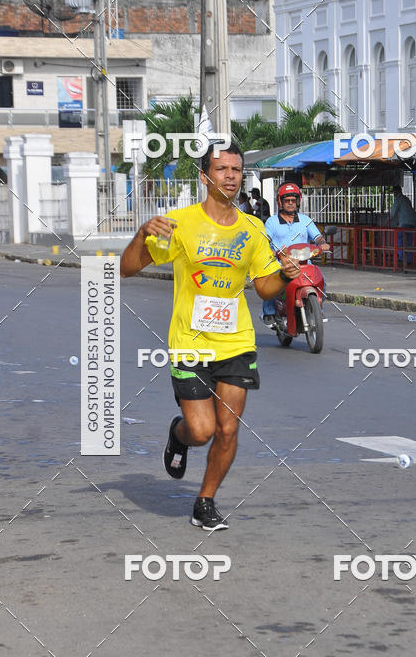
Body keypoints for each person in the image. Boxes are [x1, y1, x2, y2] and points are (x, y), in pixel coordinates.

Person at [120, 142, 301, 532]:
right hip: (190, 341)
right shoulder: (179, 223)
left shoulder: (253, 228)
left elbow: (264, 288)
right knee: (201, 431)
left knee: (229, 428)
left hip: (236, 341)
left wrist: (284, 276)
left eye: (236, 169)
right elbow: (127, 269)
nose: (231, 175)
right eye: (222, 169)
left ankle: (205, 501)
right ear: (205, 177)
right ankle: (178, 434)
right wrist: (140, 235)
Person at [261, 181, 330, 325]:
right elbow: (265, 240)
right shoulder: (272, 222)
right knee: (270, 281)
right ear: (280, 202)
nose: (290, 203)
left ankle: (318, 307)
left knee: (321, 279)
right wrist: (270, 251)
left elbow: (317, 236)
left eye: (293, 200)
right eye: (287, 200)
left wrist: (322, 243)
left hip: (305, 262)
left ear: (297, 201)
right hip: (281, 263)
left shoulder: (305, 220)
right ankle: (269, 312)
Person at [389, 185, 416, 266]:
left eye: (394, 193)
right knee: (409, 242)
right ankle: (409, 259)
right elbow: (405, 212)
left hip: (405, 224)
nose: (393, 194)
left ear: (396, 192)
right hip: (413, 223)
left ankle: (401, 258)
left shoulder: (398, 199)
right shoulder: (406, 199)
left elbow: (392, 214)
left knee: (400, 240)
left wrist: (386, 221)